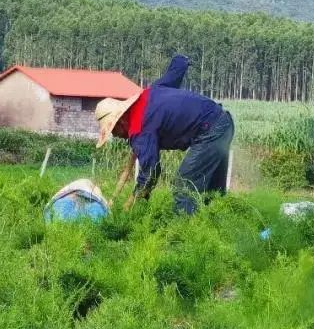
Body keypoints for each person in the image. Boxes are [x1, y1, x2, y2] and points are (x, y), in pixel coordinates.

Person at [95, 54, 234, 214]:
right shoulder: (148, 93)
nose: (116, 136)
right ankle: (220, 228)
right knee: (213, 194)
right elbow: (173, 76)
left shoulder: (139, 129)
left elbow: (151, 172)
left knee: (184, 185)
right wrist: (181, 61)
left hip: (210, 132)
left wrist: (132, 204)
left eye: (113, 131)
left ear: (120, 121)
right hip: (223, 122)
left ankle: (182, 235)